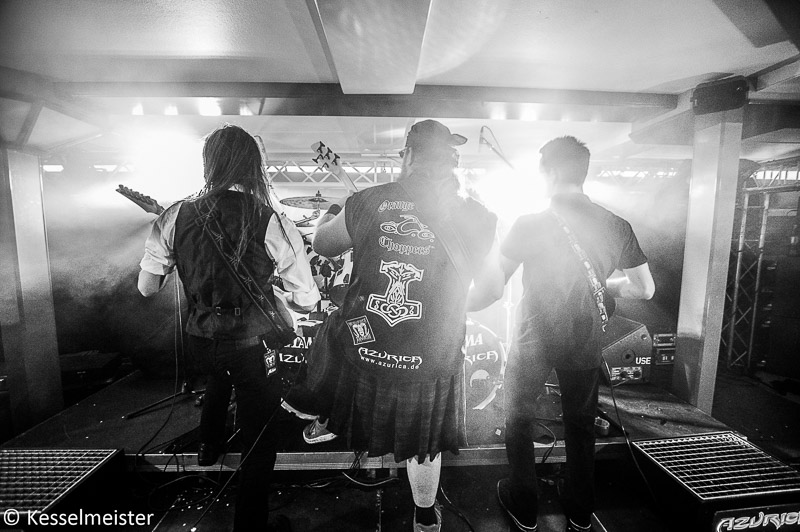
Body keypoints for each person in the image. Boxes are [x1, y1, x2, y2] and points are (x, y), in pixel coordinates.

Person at [290, 120, 501, 532]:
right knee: (425, 444)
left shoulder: (367, 201)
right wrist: (449, 312)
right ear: (452, 161)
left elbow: (322, 244)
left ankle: (326, 415)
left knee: (334, 326)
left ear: (408, 155)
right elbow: (493, 289)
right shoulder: (481, 216)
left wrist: (333, 211)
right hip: (431, 356)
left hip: (367, 349)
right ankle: (424, 517)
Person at [137, 124, 320, 532]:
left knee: (220, 373)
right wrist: (282, 297)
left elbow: (147, 288)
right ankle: (249, 526)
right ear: (253, 166)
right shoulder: (270, 219)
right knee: (258, 439)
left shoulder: (175, 215)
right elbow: (307, 299)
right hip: (252, 345)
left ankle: (208, 445)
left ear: (209, 165)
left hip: (201, 340)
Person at [468, 136, 655, 532]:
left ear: (550, 172)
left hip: (534, 338)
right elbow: (645, 289)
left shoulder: (529, 223)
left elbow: (495, 284)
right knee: (581, 425)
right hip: (585, 336)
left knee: (518, 418)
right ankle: (580, 512)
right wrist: (604, 285)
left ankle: (524, 506)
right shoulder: (616, 224)